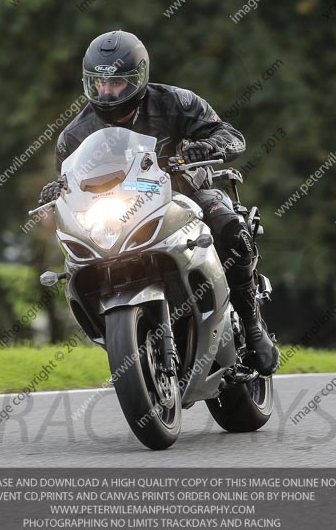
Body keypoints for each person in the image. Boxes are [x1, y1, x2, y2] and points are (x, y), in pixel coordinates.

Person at [39, 30, 279, 375]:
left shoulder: (174, 102)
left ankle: (252, 326)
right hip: (117, 212)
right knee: (77, 259)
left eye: (117, 83)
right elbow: (67, 183)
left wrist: (208, 147)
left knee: (230, 229)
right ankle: (122, 333)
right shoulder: (74, 136)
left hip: (184, 195)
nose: (106, 92)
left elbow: (231, 135)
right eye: (98, 84)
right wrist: (53, 192)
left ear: (138, 77)